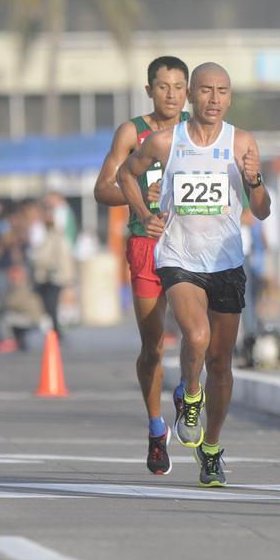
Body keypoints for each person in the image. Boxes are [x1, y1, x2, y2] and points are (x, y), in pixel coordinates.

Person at [119, 62, 271, 487]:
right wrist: (144, 214)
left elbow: (261, 210)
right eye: (206, 90)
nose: (214, 99)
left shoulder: (241, 141)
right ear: (191, 96)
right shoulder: (167, 142)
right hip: (178, 257)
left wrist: (254, 181)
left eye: (223, 91)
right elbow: (124, 174)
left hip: (225, 260)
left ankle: (212, 449)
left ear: (230, 96)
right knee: (197, 337)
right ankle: (189, 393)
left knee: (222, 362)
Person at [94, 56, 190, 476]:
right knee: (154, 344)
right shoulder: (133, 131)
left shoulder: (201, 129)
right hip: (147, 244)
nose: (171, 94)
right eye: (163, 86)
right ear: (149, 90)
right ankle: (155, 428)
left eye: (178, 86)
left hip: (193, 245)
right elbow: (102, 189)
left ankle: (189, 393)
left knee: (196, 332)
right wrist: (142, 199)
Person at [30, 203, 75, 339]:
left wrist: (43, 264)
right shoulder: (48, 235)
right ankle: (54, 330)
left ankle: (56, 332)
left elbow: (54, 257)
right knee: (48, 305)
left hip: (53, 277)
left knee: (51, 305)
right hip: (47, 276)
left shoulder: (56, 237)